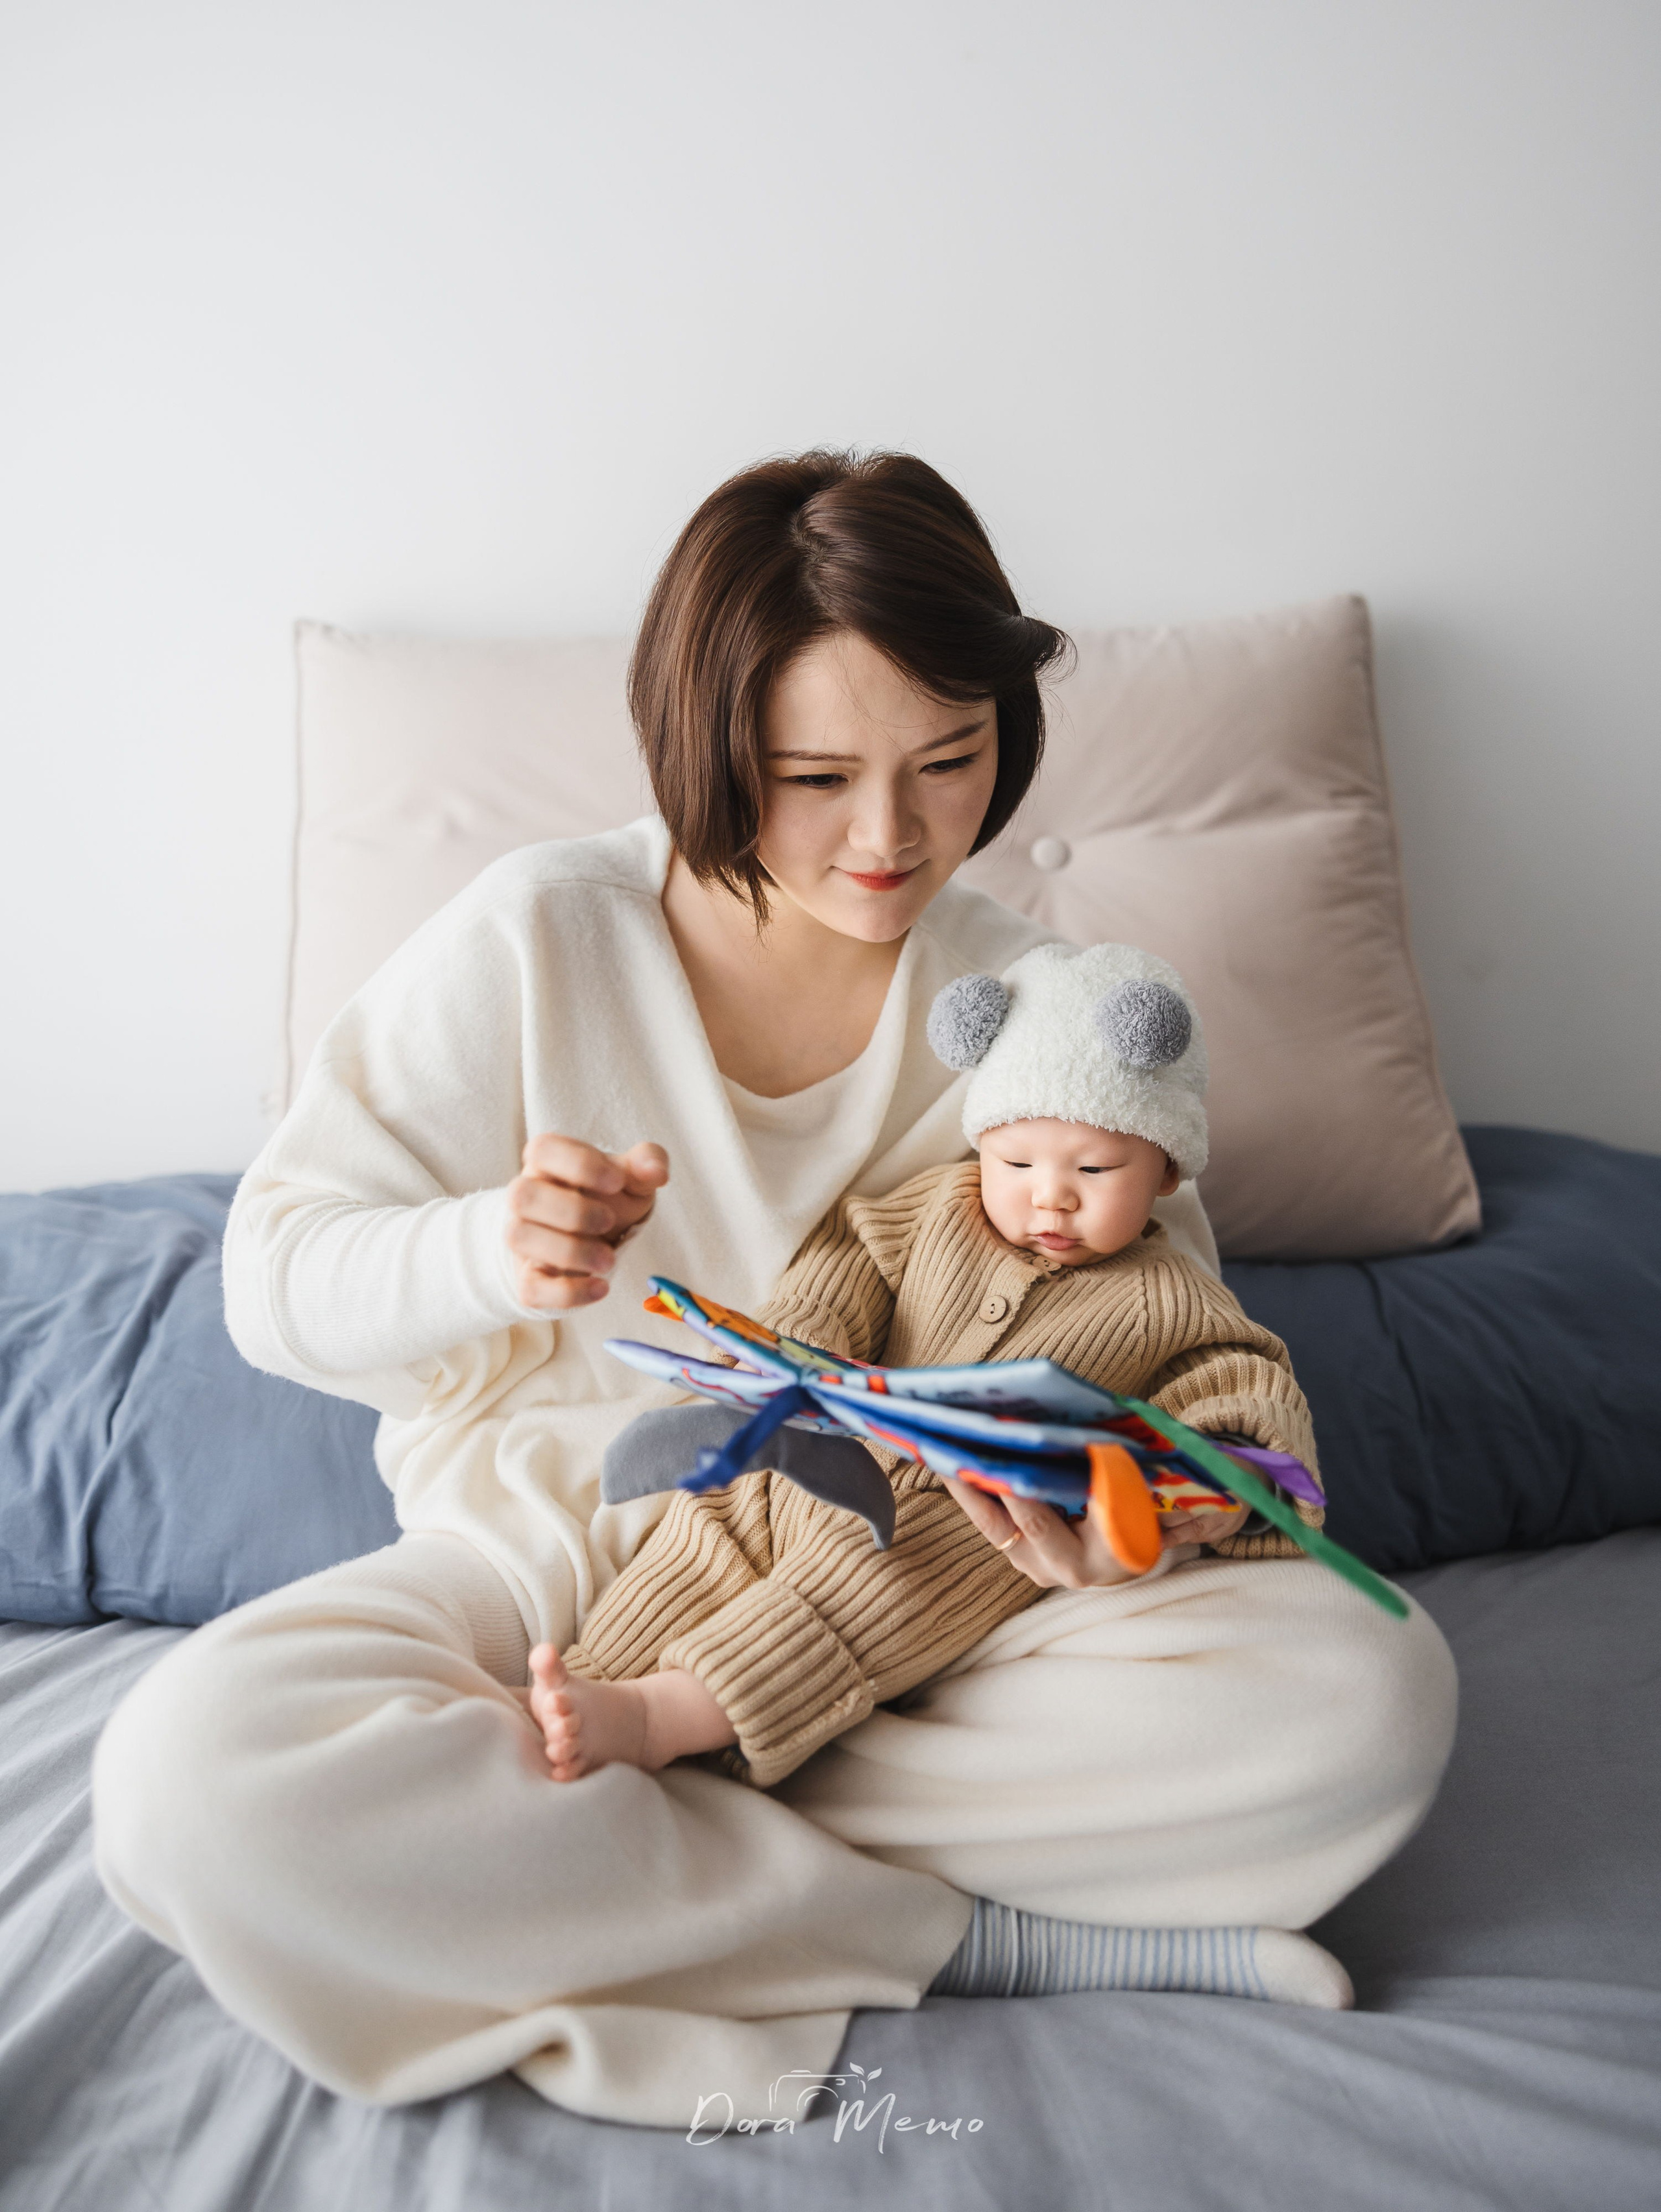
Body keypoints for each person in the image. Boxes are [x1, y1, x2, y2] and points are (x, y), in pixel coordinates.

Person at [90, 451, 1458, 2130]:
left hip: (937, 1598)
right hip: (570, 1570)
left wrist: (1121, 1520)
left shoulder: (1039, 998)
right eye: (814, 777)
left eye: (948, 763)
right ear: (703, 744)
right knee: (184, 1786)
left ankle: (620, 1853)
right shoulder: (541, 936)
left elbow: (1163, 1342)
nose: (889, 840)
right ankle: (965, 1932)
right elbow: (271, 1278)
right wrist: (486, 1247)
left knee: (1370, 1692)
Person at [532, 939, 1324, 1793]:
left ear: (1167, 1168)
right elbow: (850, 1257)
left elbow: (1248, 1394)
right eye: (1016, 1163)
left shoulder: (1172, 1297)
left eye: (1095, 1169)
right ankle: (589, 1677)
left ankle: (664, 1716)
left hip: (970, 1526)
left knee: (865, 1597)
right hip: (824, 1443)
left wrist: (1208, 1494)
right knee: (713, 1520)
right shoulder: (936, 1208)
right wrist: (799, 1344)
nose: (1050, 1194)